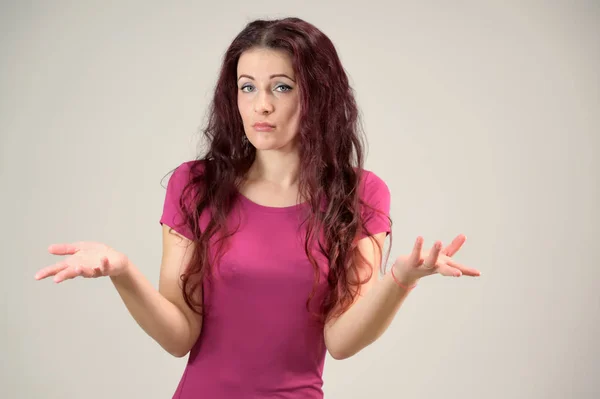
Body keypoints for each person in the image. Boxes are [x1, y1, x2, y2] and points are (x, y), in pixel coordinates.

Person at [34, 17, 480, 399]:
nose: (261, 105)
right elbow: (179, 336)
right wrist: (123, 272)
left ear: (318, 96)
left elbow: (340, 342)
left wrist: (400, 280)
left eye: (281, 87)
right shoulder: (195, 185)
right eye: (247, 87)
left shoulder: (359, 194)